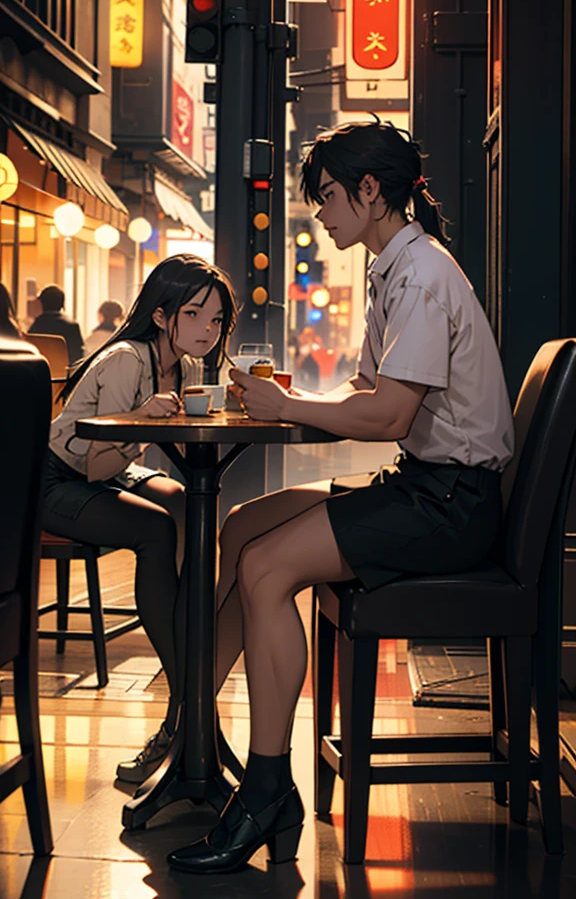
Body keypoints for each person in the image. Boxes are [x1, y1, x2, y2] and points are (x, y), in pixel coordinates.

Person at [167, 119, 514, 874]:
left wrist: (287, 408)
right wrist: (293, 398)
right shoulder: (392, 265)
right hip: (429, 486)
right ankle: (188, 732)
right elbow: (368, 391)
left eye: (327, 196)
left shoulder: (421, 274)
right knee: (244, 524)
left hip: (450, 505)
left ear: (370, 191)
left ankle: (265, 791)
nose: (320, 213)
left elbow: (389, 416)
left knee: (263, 567)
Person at [43, 254, 237, 784]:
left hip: (105, 474)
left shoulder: (188, 366)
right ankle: (186, 706)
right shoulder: (129, 359)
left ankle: (187, 694)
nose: (207, 329)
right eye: (194, 314)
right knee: (157, 529)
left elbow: (152, 450)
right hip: (57, 479)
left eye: (216, 319)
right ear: (161, 314)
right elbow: (95, 463)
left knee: (187, 504)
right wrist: (142, 420)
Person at [29, 284, 85, 366]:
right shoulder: (72, 326)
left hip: (40, 372)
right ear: (62, 304)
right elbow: (78, 357)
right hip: (64, 375)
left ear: (42, 303)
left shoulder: (36, 326)